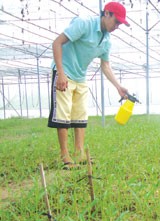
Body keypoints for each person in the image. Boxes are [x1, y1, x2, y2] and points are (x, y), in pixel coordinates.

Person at [48, 2, 130, 170]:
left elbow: (105, 66)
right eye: (116, 21)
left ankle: (79, 153)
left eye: (120, 24)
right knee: (63, 115)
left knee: (80, 116)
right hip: (65, 72)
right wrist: (61, 73)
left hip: (80, 77)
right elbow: (57, 43)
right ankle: (65, 156)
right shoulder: (84, 24)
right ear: (106, 13)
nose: (117, 26)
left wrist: (118, 87)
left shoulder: (106, 40)